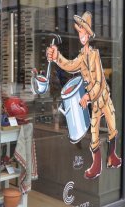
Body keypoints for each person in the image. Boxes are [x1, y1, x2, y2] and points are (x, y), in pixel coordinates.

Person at [46, 11, 121, 179]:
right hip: (94, 101)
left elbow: (100, 82)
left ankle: (112, 156)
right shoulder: (82, 56)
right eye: (79, 32)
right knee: (94, 131)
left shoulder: (95, 54)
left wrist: (87, 96)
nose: (81, 35)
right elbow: (70, 65)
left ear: (88, 34)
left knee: (112, 125)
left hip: (103, 97)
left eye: (82, 32)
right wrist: (57, 57)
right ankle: (97, 165)